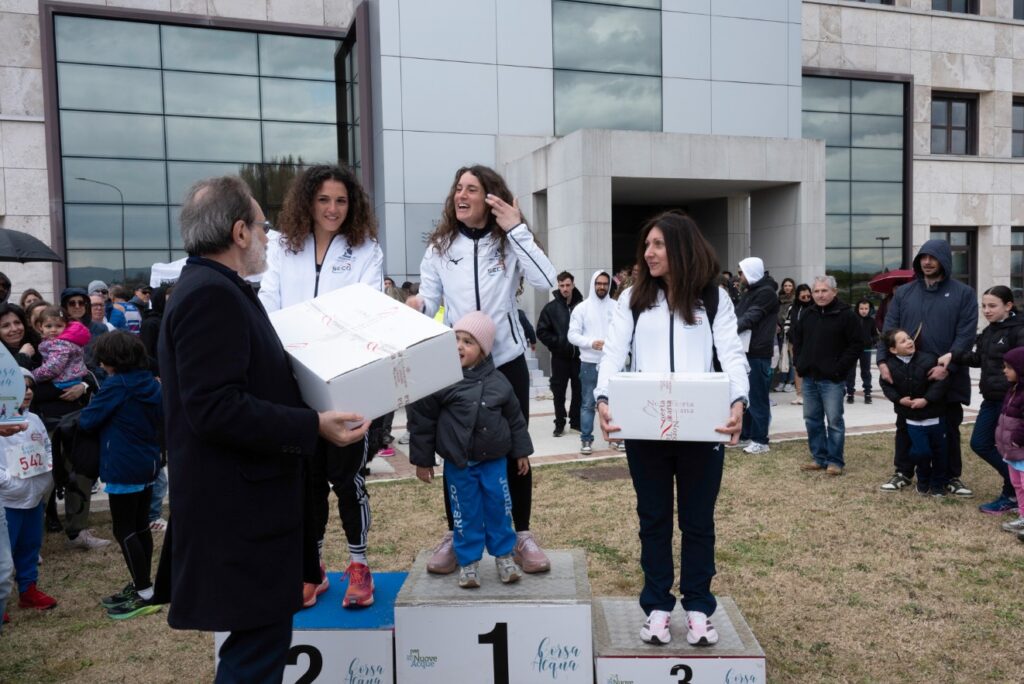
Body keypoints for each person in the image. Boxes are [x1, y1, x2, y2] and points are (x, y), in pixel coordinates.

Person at [160, 175, 369, 682]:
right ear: (239, 233)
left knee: (261, 646)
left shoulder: (219, 289)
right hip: (239, 515)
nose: (268, 236)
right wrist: (311, 425)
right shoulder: (211, 296)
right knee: (254, 656)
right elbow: (214, 407)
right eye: (261, 225)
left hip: (247, 509)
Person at [595, 211, 748, 647]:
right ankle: (657, 606)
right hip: (646, 430)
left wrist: (738, 400)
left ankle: (698, 607)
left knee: (699, 522)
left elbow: (732, 355)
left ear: (681, 246)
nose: (648, 252)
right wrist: (603, 399)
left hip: (703, 429)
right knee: (654, 520)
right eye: (646, 245)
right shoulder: (632, 299)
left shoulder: (714, 298)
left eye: (658, 244)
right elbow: (613, 354)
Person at [405, 164, 557, 576]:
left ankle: (521, 534)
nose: (461, 195)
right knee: (457, 455)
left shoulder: (508, 243)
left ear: (491, 198)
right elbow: (431, 298)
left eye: (471, 189)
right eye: (458, 188)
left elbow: (547, 282)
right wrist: (418, 306)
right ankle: (458, 536)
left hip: (505, 363)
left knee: (514, 450)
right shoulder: (440, 246)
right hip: (456, 367)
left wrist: (517, 229)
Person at [258, 163, 383, 610]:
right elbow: (268, 300)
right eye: (324, 199)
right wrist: (289, 345)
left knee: (347, 479)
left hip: (345, 377)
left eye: (341, 200)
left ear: (353, 205)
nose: (332, 209)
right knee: (305, 480)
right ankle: (312, 571)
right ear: (307, 201)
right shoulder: (280, 247)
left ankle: (359, 565)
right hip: (292, 377)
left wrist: (327, 344)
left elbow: (365, 307)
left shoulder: (365, 249)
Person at [407, 312, 533, 588]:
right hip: (459, 465)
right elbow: (423, 421)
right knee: (465, 514)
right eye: (455, 339)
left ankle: (504, 557)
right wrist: (423, 459)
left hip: (495, 463)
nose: (459, 346)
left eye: (468, 342)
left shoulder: (500, 382)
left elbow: (515, 419)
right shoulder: (441, 382)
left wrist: (521, 452)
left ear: (484, 350)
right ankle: (468, 564)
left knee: (500, 509)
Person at [877, 240, 978, 497]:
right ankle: (903, 471)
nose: (927, 262)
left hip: (947, 374)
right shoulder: (904, 293)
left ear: (944, 260)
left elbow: (966, 334)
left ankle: (951, 477)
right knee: (905, 425)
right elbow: (889, 330)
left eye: (933, 257)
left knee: (949, 428)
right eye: (923, 257)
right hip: (909, 375)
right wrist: (882, 361)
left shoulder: (963, 293)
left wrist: (950, 363)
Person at [79, 331, 163, 620]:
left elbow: (88, 420)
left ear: (111, 360)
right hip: (148, 463)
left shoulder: (116, 386)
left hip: (123, 465)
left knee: (124, 528)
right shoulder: (151, 383)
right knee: (140, 525)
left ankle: (143, 591)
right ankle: (145, 585)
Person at [939, 285, 1024, 513]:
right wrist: (953, 355)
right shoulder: (990, 330)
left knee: (1011, 448)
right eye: (984, 306)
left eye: (992, 306)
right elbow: (978, 359)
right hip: (991, 399)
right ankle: (1016, 489)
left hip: (1012, 401)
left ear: (1008, 306)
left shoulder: (1018, 330)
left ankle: (1012, 494)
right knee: (980, 443)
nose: (986, 310)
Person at [791, 276, 863, 476]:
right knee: (812, 419)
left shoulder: (846, 315)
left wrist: (839, 368)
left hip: (832, 379)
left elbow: (857, 344)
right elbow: (797, 340)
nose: (820, 295)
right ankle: (819, 458)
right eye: (816, 291)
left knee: (834, 421)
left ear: (834, 292)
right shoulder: (808, 314)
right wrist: (799, 362)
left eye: (824, 291)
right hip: (810, 378)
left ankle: (835, 461)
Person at [1, 370, 57, 619]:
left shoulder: (34, 419)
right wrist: (8, 482)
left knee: (30, 546)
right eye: (21, 387)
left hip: (34, 498)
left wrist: (47, 473)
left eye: (30, 386)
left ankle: (28, 590)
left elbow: (46, 447)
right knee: (5, 552)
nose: (28, 391)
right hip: (8, 500)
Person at [879, 328, 950, 496]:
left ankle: (938, 484)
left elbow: (941, 382)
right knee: (921, 451)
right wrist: (898, 399)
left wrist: (926, 400)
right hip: (911, 420)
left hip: (935, 417)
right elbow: (886, 385)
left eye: (909, 338)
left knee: (940, 452)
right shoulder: (889, 366)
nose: (909, 342)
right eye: (903, 341)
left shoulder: (929, 358)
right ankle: (922, 479)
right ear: (893, 349)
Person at [734, 257, 779, 454]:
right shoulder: (752, 291)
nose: (739, 277)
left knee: (758, 397)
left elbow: (751, 317)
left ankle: (761, 440)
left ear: (751, 272)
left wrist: (727, 330)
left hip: (758, 352)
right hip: (747, 351)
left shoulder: (766, 293)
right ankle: (748, 434)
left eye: (741, 272)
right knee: (747, 395)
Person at [568, 270, 614, 455]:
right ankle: (586, 440)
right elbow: (572, 335)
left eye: (605, 284)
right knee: (587, 403)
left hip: (612, 363)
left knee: (616, 402)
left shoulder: (616, 307)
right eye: (598, 283)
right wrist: (591, 343)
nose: (602, 287)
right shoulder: (582, 308)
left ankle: (616, 438)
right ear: (593, 284)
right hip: (588, 363)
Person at [537, 271, 583, 438]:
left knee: (579, 391)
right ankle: (560, 423)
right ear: (558, 286)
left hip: (579, 358)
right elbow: (541, 331)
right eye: (562, 285)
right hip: (560, 358)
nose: (565, 288)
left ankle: (576, 423)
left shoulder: (582, 306)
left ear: (573, 285)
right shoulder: (551, 308)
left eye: (568, 285)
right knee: (559, 392)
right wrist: (558, 343)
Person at [995, 347, 1024, 539]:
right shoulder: (1013, 389)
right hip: (1012, 451)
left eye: (1008, 368)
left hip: (1020, 448)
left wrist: (1017, 438)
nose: (1004, 371)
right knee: (1018, 484)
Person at [31, 306, 90, 391]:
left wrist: (33, 375)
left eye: (59, 326)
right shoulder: (61, 340)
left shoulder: (60, 344)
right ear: (41, 327)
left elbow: (53, 368)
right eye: (48, 326)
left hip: (64, 382)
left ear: (66, 326)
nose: (53, 330)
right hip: (70, 379)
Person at [846, 299, 878, 404]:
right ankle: (850, 393)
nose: (864, 311)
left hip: (866, 350)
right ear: (857, 309)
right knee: (850, 372)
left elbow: (875, 335)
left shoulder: (871, 321)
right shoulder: (852, 319)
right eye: (861, 308)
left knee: (866, 371)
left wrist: (871, 340)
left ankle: (867, 393)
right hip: (853, 349)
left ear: (869, 309)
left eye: (866, 308)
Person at [0, 303, 41, 370]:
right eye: (6, 326)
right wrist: (23, 356)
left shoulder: (38, 344)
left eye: (17, 322)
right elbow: (7, 376)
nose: (14, 329)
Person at [772, 278, 796, 392]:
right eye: (785, 285)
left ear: (793, 287)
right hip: (780, 332)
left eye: (790, 285)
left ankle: (790, 382)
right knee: (781, 356)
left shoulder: (795, 301)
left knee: (791, 358)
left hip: (791, 333)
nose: (787, 287)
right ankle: (781, 381)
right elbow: (774, 315)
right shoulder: (778, 300)